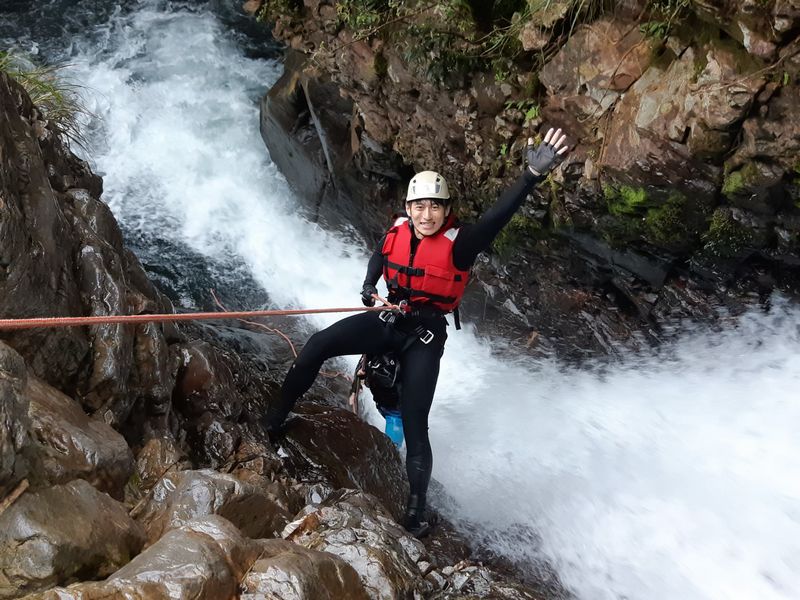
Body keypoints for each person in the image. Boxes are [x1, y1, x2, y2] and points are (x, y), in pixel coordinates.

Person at [265, 127, 569, 536]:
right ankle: (274, 420)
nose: (426, 215)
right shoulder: (398, 229)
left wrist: (530, 176)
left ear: (446, 211)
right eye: (419, 207)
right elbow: (379, 253)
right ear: (408, 207)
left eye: (434, 208)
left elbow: (498, 218)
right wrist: (370, 285)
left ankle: (416, 508)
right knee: (319, 343)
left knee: (415, 419)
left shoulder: (460, 245)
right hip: (391, 318)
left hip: (424, 336)